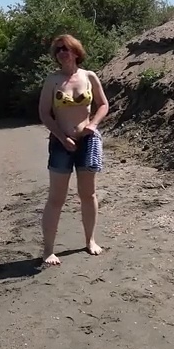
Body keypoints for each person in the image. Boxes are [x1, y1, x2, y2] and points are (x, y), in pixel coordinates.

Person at [37, 33, 109, 267]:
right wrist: (62, 137)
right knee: (56, 198)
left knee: (88, 194)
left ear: (76, 52)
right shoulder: (52, 80)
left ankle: (90, 240)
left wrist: (93, 125)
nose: (61, 53)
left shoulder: (89, 76)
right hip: (60, 143)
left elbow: (103, 104)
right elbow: (44, 114)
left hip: (87, 142)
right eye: (58, 50)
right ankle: (48, 250)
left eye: (65, 48)